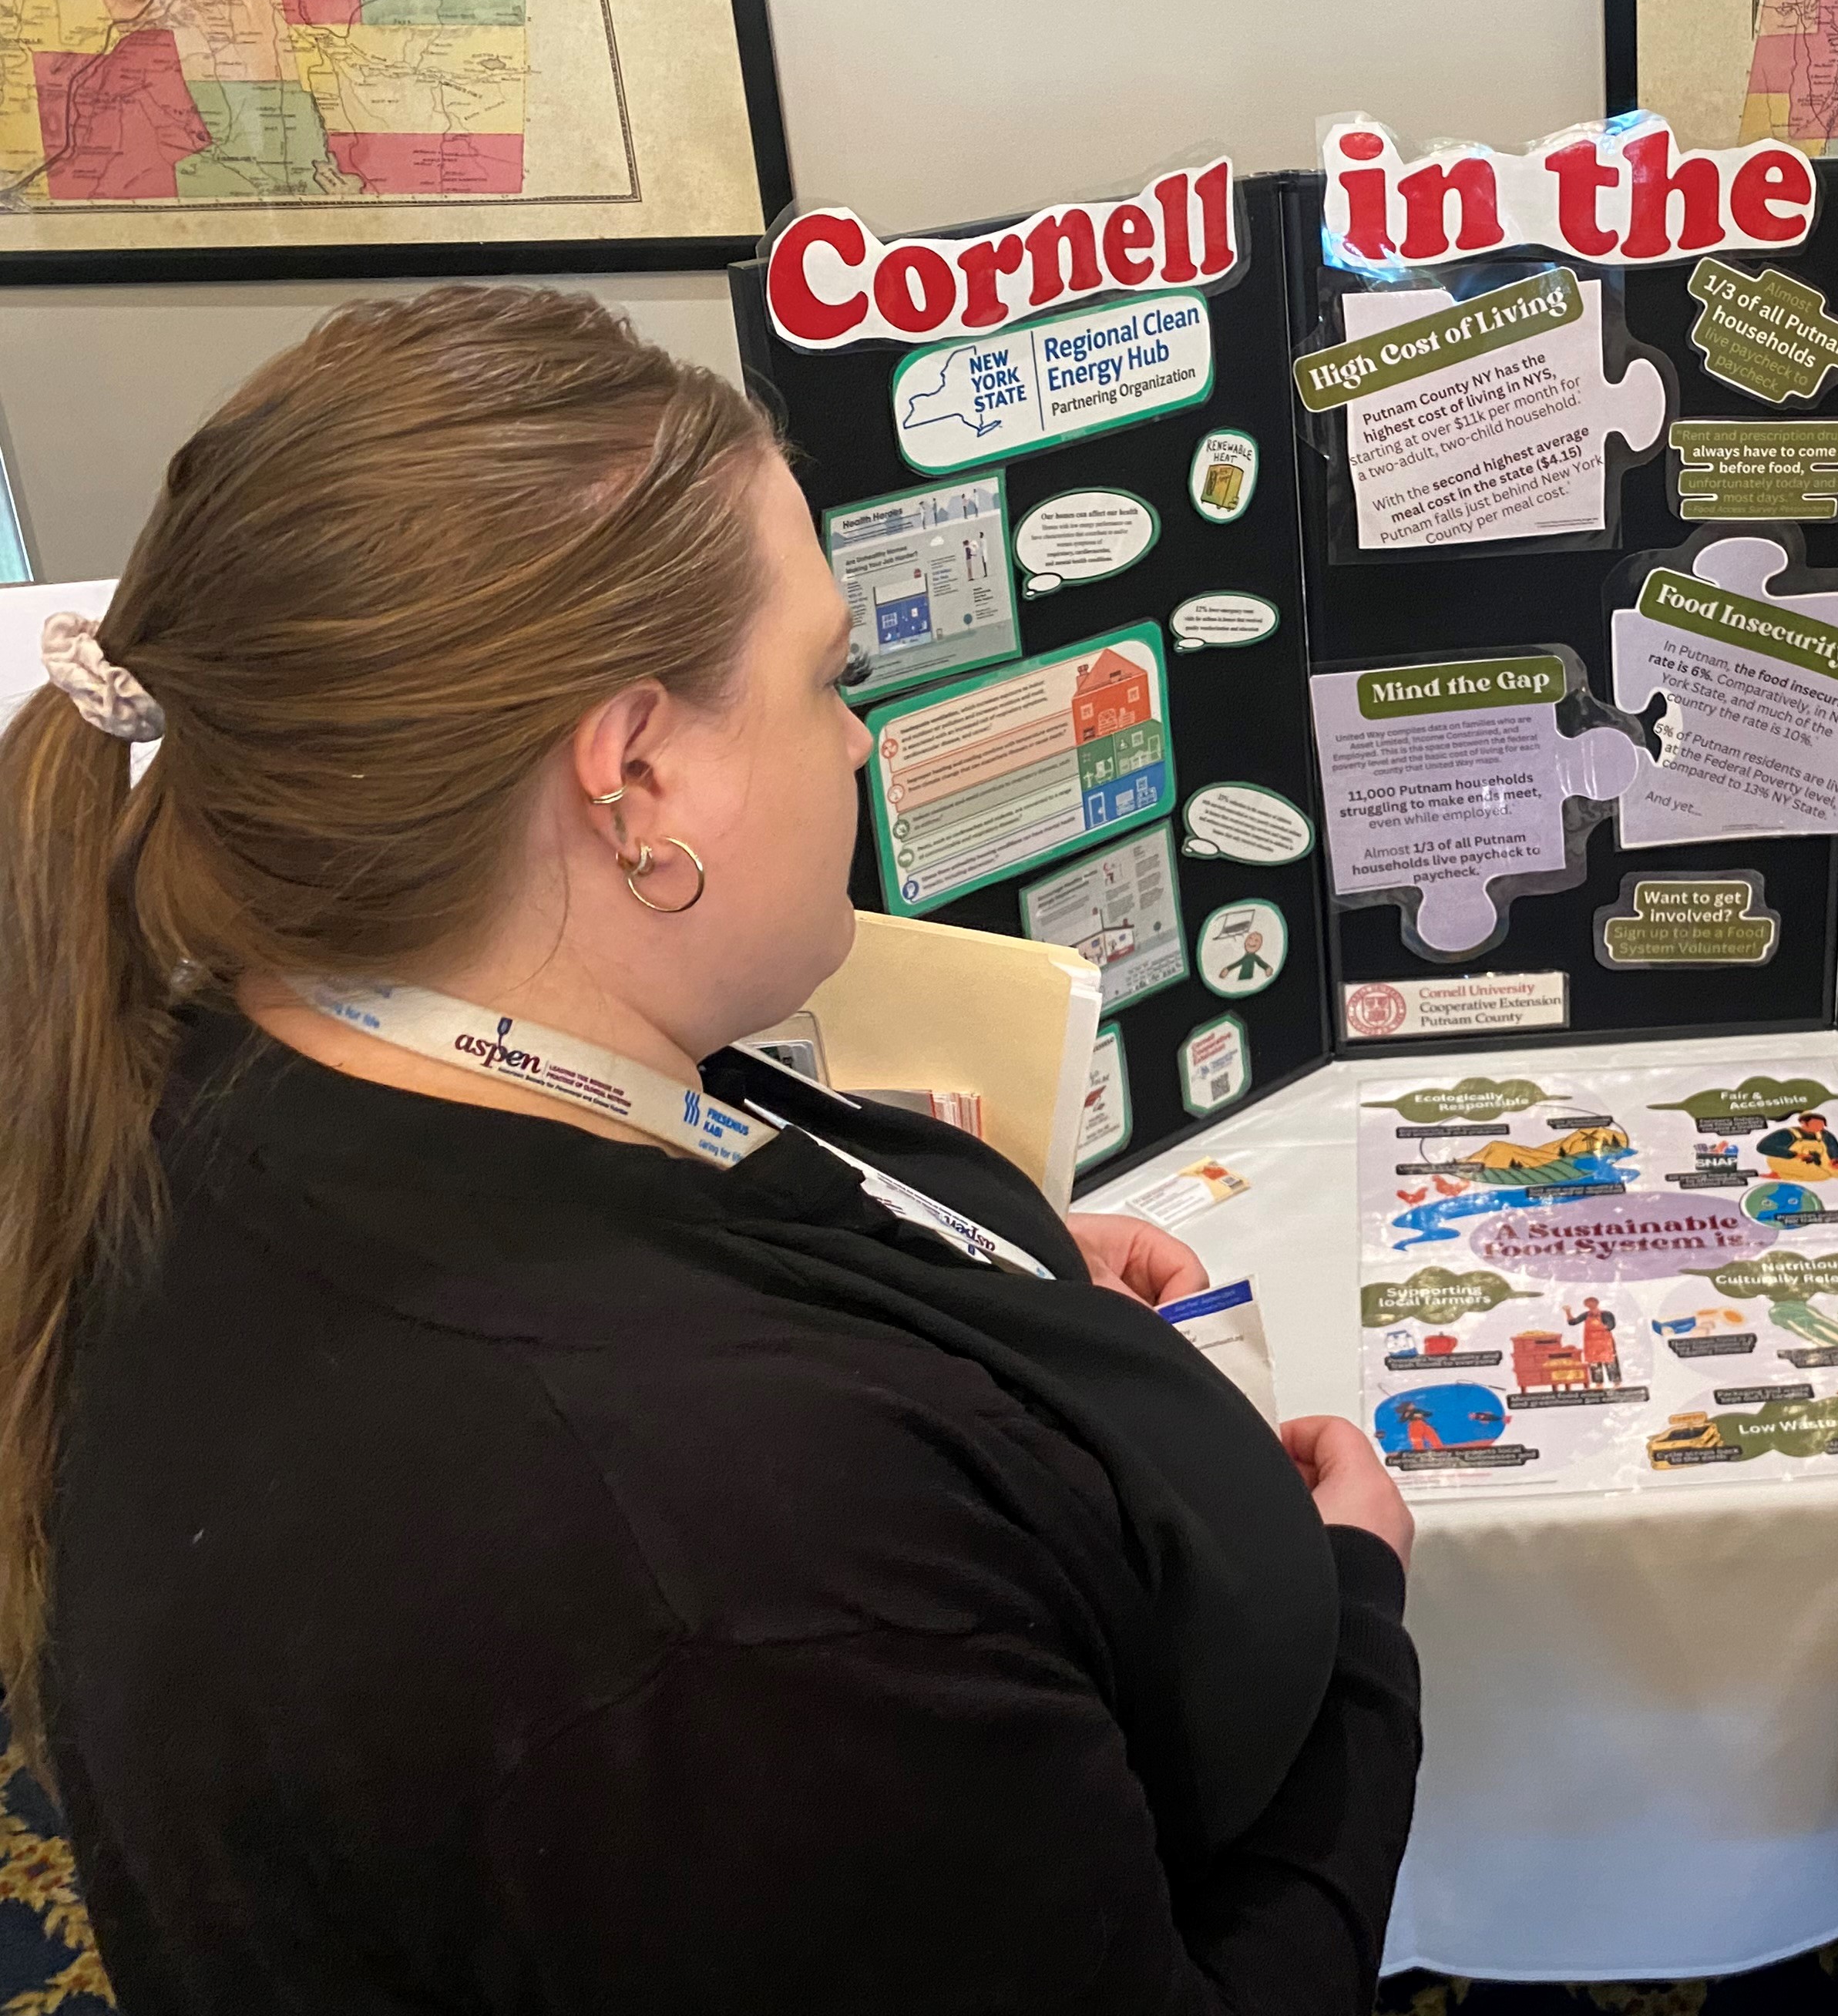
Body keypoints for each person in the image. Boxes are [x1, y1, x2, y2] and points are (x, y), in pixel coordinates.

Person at [0, 287, 1423, 2014]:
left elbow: (672, 1183)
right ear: (637, 782)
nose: (857, 735)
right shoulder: (719, 1606)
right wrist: (1357, 1641)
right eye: (830, 677)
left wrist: (966, 1269)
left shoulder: (267, 1050)